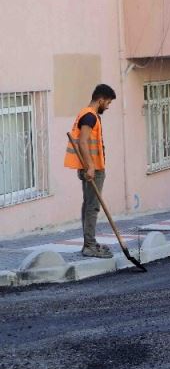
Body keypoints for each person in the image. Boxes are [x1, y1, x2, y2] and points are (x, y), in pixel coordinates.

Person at [64, 84, 117, 259]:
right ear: (100, 100)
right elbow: (82, 142)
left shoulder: (87, 114)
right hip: (92, 169)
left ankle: (89, 243)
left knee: (88, 205)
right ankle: (89, 246)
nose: (108, 107)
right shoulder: (89, 117)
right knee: (92, 207)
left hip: (91, 167)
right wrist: (91, 167)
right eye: (108, 103)